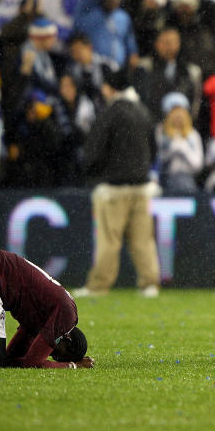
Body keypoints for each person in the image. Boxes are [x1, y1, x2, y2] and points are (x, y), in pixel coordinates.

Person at [74, 68, 161, 298]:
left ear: (110, 87)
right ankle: (150, 284)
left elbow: (94, 151)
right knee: (143, 241)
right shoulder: (143, 111)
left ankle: (98, 286)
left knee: (109, 241)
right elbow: (153, 149)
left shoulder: (111, 113)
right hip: (142, 187)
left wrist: (92, 173)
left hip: (113, 189)